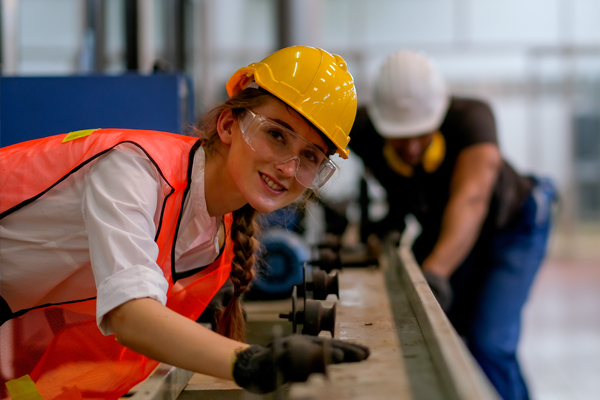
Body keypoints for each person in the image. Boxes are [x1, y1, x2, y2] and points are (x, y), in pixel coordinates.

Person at [0, 46, 369, 399]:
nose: (288, 168)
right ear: (227, 125)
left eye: (309, 157)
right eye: (276, 134)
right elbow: (130, 316)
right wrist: (249, 362)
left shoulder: (212, 247)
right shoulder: (135, 170)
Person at [345, 51, 556, 400]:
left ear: (439, 114)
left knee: (489, 342)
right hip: (449, 226)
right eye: (399, 136)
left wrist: (437, 270)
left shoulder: (471, 118)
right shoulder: (365, 129)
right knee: (446, 331)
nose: (411, 147)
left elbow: (471, 200)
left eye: (421, 134)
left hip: (513, 225)